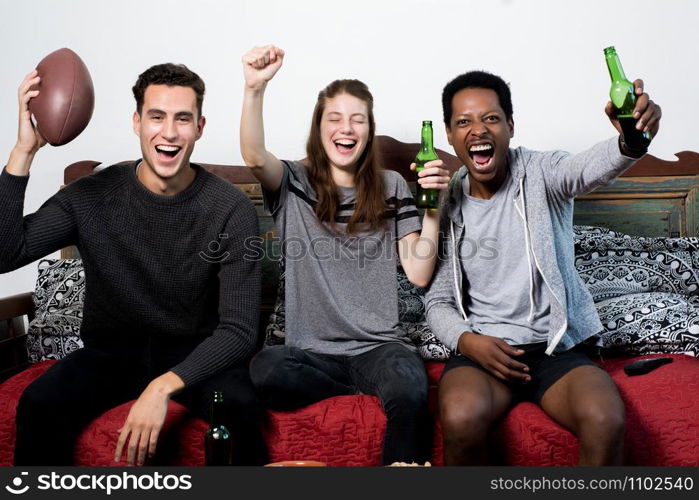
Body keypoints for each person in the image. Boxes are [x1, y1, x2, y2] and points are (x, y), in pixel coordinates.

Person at [0, 63, 268, 465]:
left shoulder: (229, 207)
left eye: (183, 119)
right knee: (39, 404)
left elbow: (239, 330)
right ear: (137, 122)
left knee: (244, 410)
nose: (170, 132)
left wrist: (160, 388)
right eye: (157, 117)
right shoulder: (89, 196)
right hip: (110, 355)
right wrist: (24, 151)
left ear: (200, 127)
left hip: (196, 356)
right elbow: (7, 254)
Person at [425, 70, 661, 465]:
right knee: (460, 416)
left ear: (510, 126)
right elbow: (437, 302)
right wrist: (468, 342)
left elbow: (584, 170)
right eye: (463, 122)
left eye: (491, 118)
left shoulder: (541, 172)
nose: (478, 130)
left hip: (557, 349)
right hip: (486, 352)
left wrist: (631, 140)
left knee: (605, 418)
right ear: (449, 135)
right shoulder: (444, 203)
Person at [240, 45, 451, 465]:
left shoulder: (391, 186)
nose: (346, 127)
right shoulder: (295, 184)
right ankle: (359, 389)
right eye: (334, 118)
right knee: (266, 369)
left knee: (410, 386)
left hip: (378, 348)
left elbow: (420, 273)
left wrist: (433, 208)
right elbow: (253, 155)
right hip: (311, 354)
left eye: (358, 119)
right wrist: (254, 89)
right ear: (319, 128)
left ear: (369, 130)